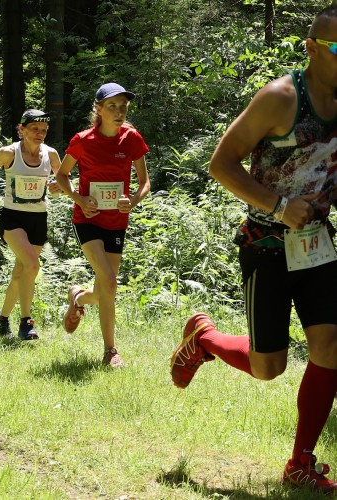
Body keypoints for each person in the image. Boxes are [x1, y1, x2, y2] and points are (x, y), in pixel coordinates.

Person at [169, 5, 337, 493]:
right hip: (266, 243)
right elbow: (220, 164)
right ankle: (204, 338)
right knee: (269, 367)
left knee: (330, 347)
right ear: (310, 49)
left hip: (318, 244)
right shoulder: (281, 98)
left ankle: (300, 463)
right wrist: (279, 204)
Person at [56, 83, 150, 367]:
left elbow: (145, 182)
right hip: (87, 219)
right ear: (98, 109)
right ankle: (111, 351)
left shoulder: (131, 139)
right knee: (109, 281)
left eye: (123, 107)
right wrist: (78, 198)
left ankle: (78, 298)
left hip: (117, 221)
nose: (119, 112)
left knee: (105, 289)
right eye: (113, 106)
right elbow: (62, 175)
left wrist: (131, 201)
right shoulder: (82, 140)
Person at [0, 109, 61, 340]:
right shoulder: (9, 153)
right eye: (34, 129)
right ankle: (26, 322)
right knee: (32, 265)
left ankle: (2, 319)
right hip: (12, 217)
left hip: (38, 218)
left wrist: (58, 187)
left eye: (43, 130)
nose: (40, 134)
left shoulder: (51, 154)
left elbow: (62, 183)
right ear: (21, 129)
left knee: (20, 272)